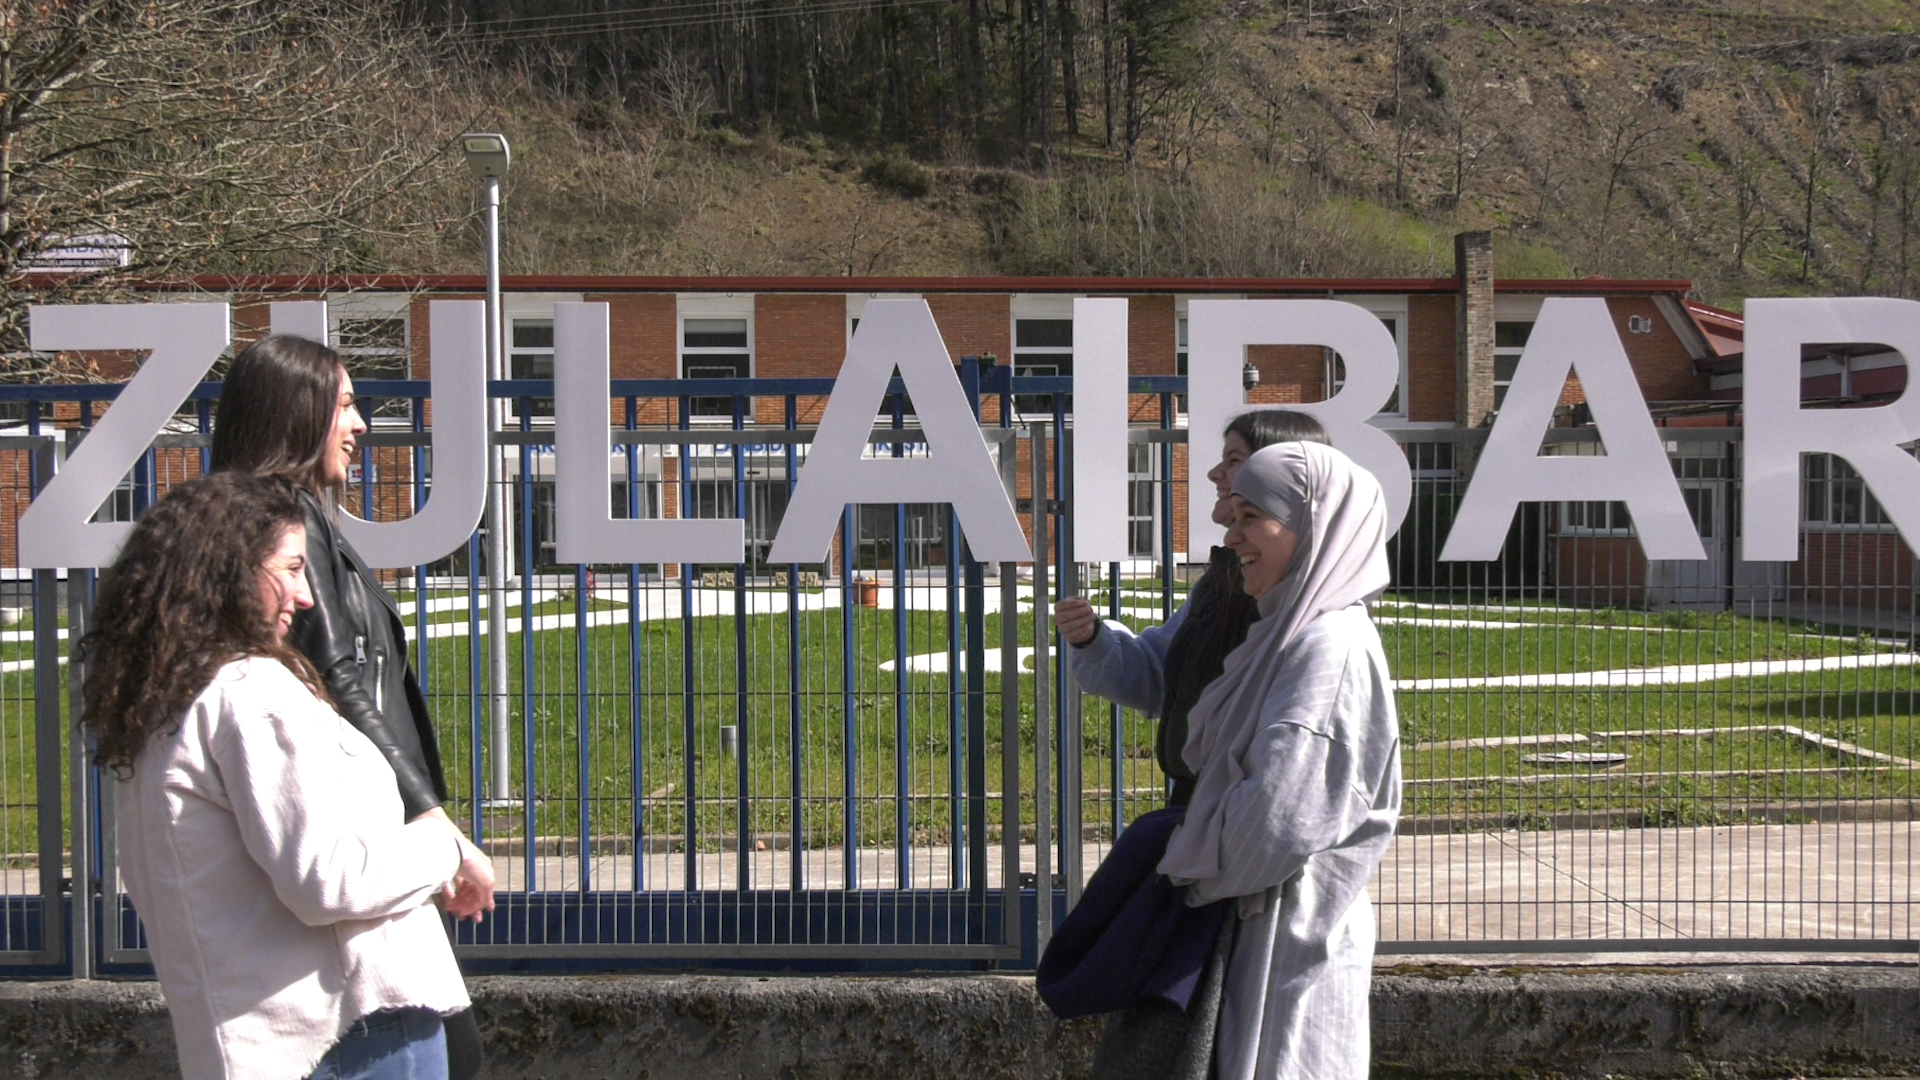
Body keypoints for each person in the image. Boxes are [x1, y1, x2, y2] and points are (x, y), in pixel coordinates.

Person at [77, 472, 473, 1080]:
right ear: (227, 574)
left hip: (260, 1039)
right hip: (352, 1034)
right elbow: (328, 879)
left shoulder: (166, 702)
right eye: (290, 568)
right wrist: (443, 848)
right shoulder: (252, 692)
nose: (307, 594)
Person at [210, 334, 493, 1079]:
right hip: (357, 833)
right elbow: (341, 681)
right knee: (448, 1053)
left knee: (449, 1048)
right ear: (293, 413)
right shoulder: (280, 530)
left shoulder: (296, 520)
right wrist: (433, 822)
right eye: (344, 403)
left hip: (365, 832)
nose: (360, 422)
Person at [1158, 441, 1401, 1080]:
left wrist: (1186, 873)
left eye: (1250, 518)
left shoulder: (1329, 648)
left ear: (1312, 523)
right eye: (1232, 515)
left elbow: (1276, 823)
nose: (1231, 535)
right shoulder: (1282, 633)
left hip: (1284, 945)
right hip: (1254, 933)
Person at [1055, 410, 1329, 805]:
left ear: (1280, 475)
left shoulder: (1311, 604)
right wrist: (1093, 640)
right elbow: (1162, 676)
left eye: (1234, 461)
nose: (1214, 474)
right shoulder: (1221, 582)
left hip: (1245, 815)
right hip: (1205, 809)